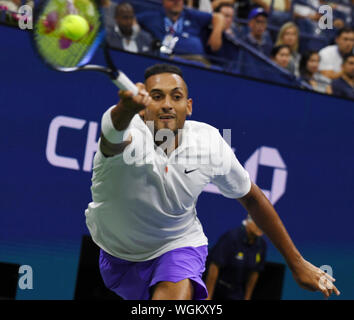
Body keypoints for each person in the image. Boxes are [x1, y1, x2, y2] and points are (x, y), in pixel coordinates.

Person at [85, 63, 340, 300]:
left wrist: (296, 262)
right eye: (157, 96)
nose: (167, 105)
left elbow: (252, 197)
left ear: (189, 106)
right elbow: (112, 135)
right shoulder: (128, 133)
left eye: (176, 97)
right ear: (142, 108)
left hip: (177, 245)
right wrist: (125, 109)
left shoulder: (208, 142)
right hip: (117, 254)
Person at [136, 0, 224, 64]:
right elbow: (132, 20)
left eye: (179, 0)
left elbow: (219, 17)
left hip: (197, 61)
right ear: (163, 1)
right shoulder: (152, 17)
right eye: (172, 0)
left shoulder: (190, 14)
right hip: (167, 59)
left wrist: (216, 33)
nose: (177, 2)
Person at [205, 215, 267, 300]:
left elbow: (254, 273)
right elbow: (214, 266)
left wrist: (247, 297)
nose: (261, 227)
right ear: (248, 222)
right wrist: (208, 296)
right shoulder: (232, 237)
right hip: (218, 288)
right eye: (258, 223)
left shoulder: (261, 245)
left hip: (237, 292)